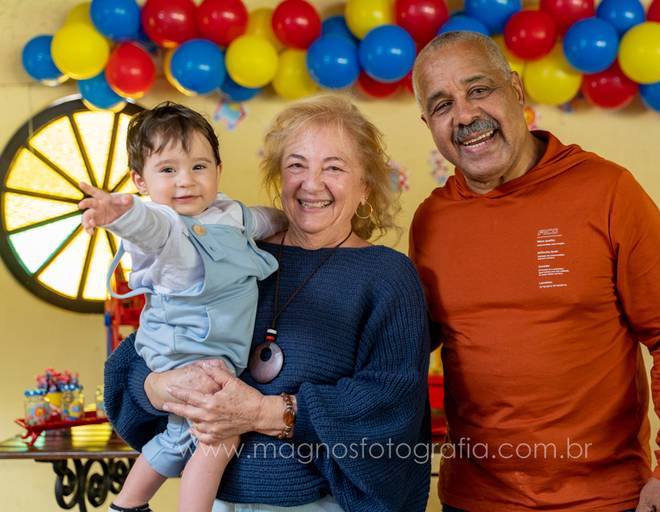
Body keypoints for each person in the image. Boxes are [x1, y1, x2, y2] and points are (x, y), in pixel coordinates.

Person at [409, 32, 660, 511]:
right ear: (429, 124)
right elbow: (405, 348)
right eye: (443, 104)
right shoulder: (432, 220)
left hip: (605, 498)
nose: (465, 115)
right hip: (474, 498)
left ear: (516, 89)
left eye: (479, 89)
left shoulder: (608, 191)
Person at [102, 95, 432, 512]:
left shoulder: (387, 275)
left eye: (334, 167)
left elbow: (391, 403)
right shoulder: (235, 251)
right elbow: (139, 356)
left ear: (365, 185)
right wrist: (159, 388)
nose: (312, 184)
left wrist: (264, 412)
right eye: (296, 165)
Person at [79, 102, 287, 512]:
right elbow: (147, 226)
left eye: (199, 166)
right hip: (184, 353)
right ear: (140, 180)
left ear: (218, 170)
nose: (186, 181)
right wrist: (119, 215)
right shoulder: (164, 226)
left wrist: (286, 221)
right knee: (218, 436)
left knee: (179, 437)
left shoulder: (227, 213)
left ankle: (127, 505)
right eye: (168, 170)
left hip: (213, 353)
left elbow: (259, 221)